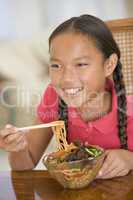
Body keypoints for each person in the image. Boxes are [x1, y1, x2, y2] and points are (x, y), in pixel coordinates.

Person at [0, 14, 133, 179]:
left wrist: (130, 159)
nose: (66, 78)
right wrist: (18, 148)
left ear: (109, 65)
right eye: (56, 65)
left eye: (81, 64)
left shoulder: (129, 109)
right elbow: (25, 164)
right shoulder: (54, 96)